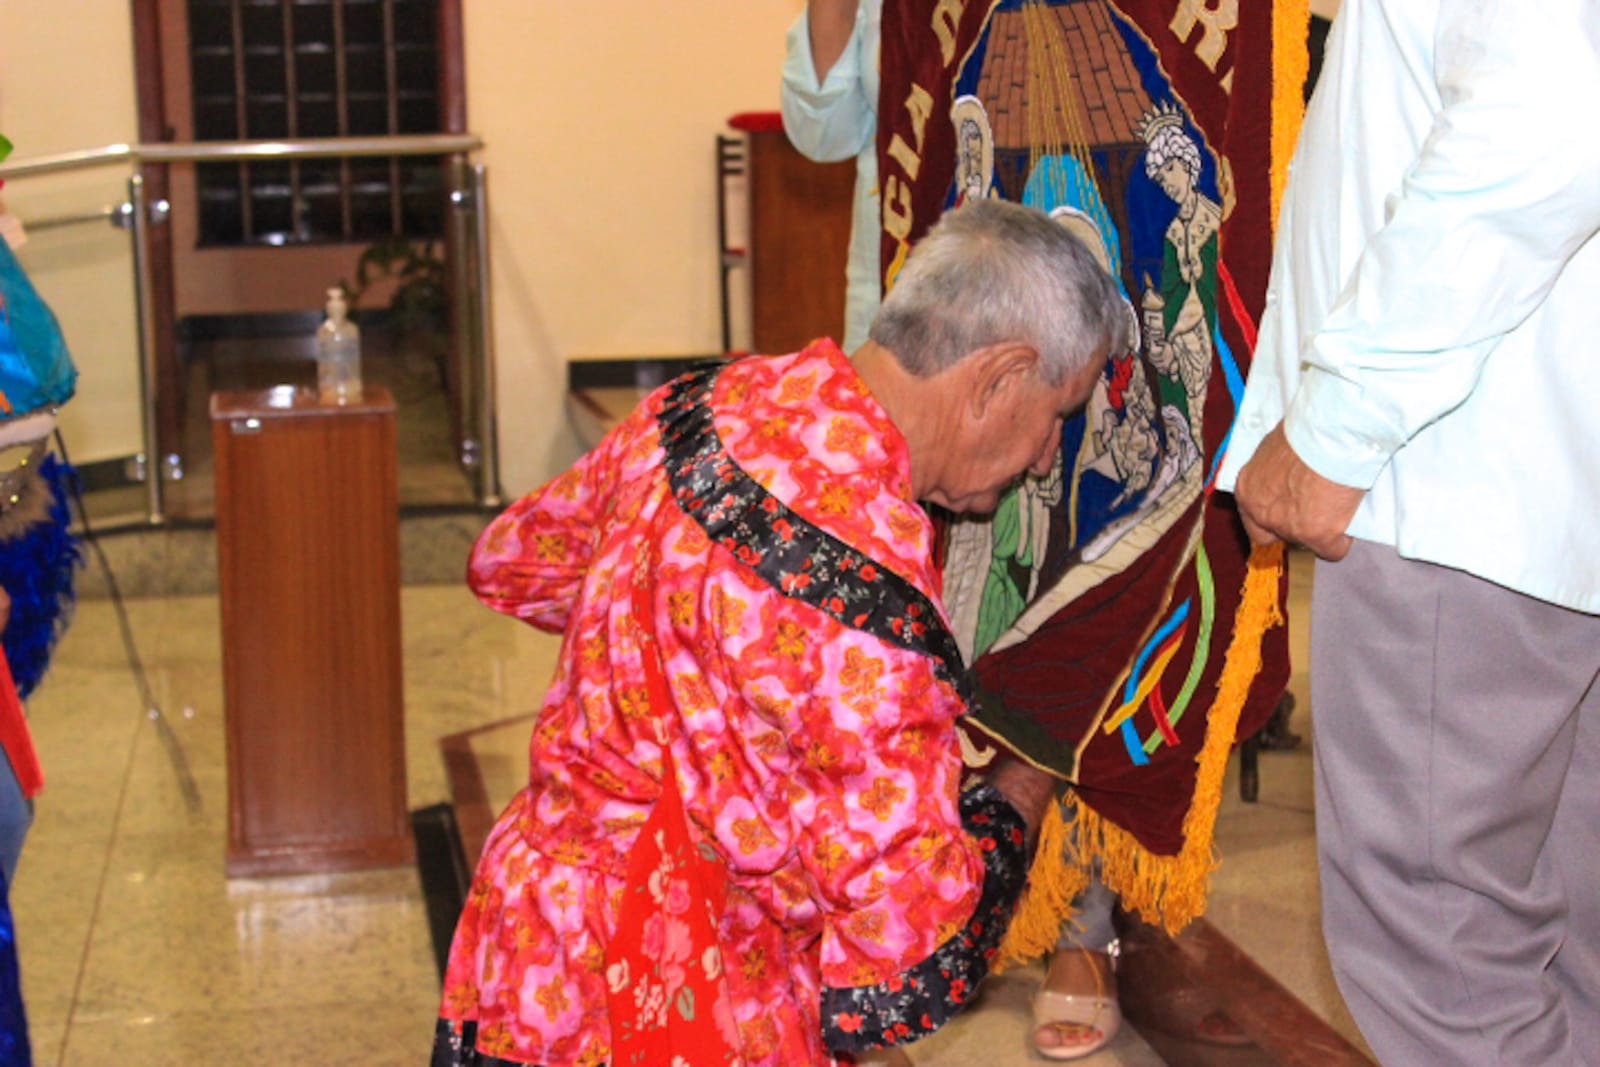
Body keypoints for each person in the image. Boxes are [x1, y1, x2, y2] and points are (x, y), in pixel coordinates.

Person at [432, 198, 1128, 1067]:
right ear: (995, 376)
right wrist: (1026, 778)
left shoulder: (694, 407)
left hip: (532, 952)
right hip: (689, 992)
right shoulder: (869, 604)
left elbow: (514, 560)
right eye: (1058, 414)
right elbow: (907, 965)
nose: (1043, 459)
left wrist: (677, 692)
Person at [782, 3, 1299, 1059]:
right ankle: (904, 908)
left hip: (1116, 330)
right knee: (959, 614)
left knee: (1111, 594)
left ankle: (1082, 926)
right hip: (940, 330)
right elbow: (820, 124)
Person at [1218, 1, 1600, 1062]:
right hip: (1541, 479)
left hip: (1454, 474)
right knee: (1569, 938)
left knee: (1449, 962)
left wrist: (1337, 420)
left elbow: (1550, 118)